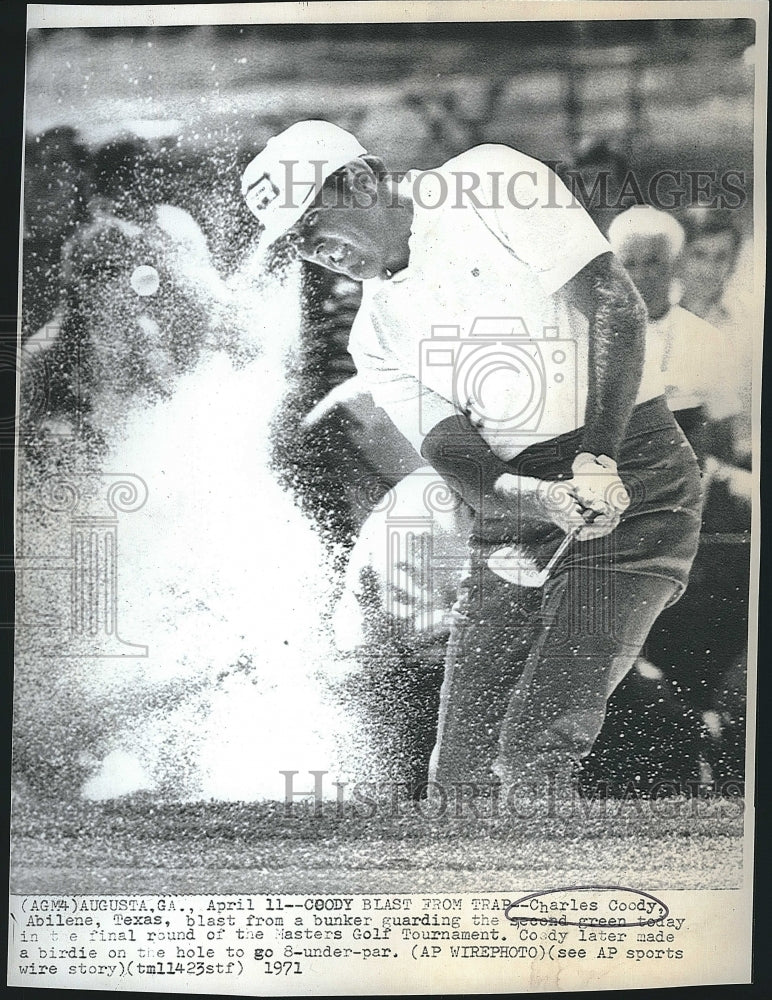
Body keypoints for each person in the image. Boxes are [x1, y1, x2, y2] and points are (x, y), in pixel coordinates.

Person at [240, 120, 703, 801]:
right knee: (459, 779)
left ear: (363, 179)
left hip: (637, 471)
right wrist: (543, 498)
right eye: (296, 244)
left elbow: (614, 304)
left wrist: (597, 458)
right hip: (518, 514)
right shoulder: (375, 334)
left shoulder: (488, 181)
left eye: (313, 222)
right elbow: (467, 468)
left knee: (532, 749)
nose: (314, 251)